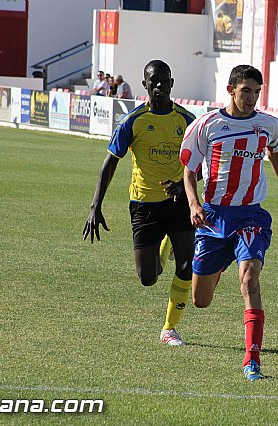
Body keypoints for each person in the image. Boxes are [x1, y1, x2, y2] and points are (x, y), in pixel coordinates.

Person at [180, 65, 278, 381]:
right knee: (201, 301)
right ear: (231, 89)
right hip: (214, 216)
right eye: (246, 91)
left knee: (249, 280)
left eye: (257, 92)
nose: (252, 98)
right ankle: (218, 266)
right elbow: (190, 171)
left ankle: (252, 361)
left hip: (251, 216)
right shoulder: (207, 125)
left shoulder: (268, 125)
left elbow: (275, 154)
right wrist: (193, 203)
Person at [83, 60, 196, 346]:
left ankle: (169, 329)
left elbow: (202, 159)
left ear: (172, 83)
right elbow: (111, 162)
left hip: (180, 201)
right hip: (145, 204)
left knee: (187, 264)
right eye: (153, 81)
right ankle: (163, 248)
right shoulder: (133, 121)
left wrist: (184, 186)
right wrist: (95, 205)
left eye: (164, 81)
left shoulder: (187, 120)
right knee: (148, 278)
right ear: (145, 85)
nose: (159, 86)